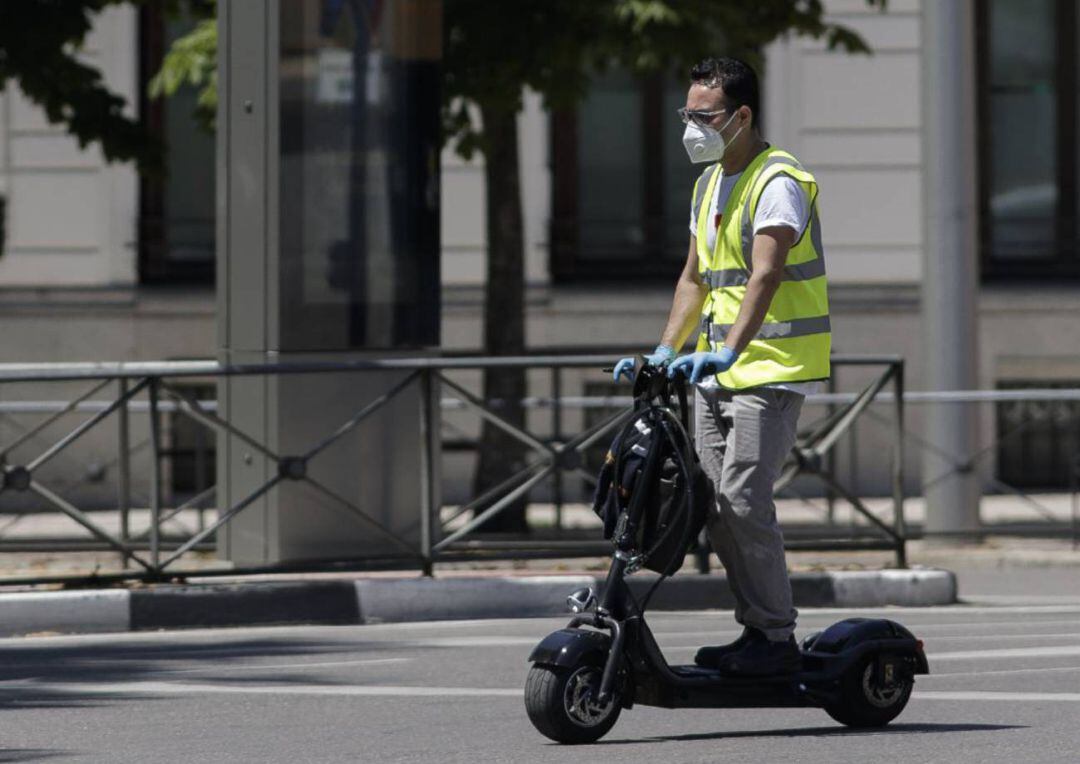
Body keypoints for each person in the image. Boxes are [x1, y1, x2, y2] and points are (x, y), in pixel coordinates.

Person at [613, 57, 831, 677]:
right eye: (686, 114)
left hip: (770, 366)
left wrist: (731, 348)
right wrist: (664, 352)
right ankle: (756, 632)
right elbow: (695, 277)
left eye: (703, 116)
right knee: (709, 499)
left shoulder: (778, 180)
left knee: (742, 496)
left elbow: (766, 272)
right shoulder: (709, 183)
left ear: (741, 116)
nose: (691, 127)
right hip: (712, 373)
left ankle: (776, 637)